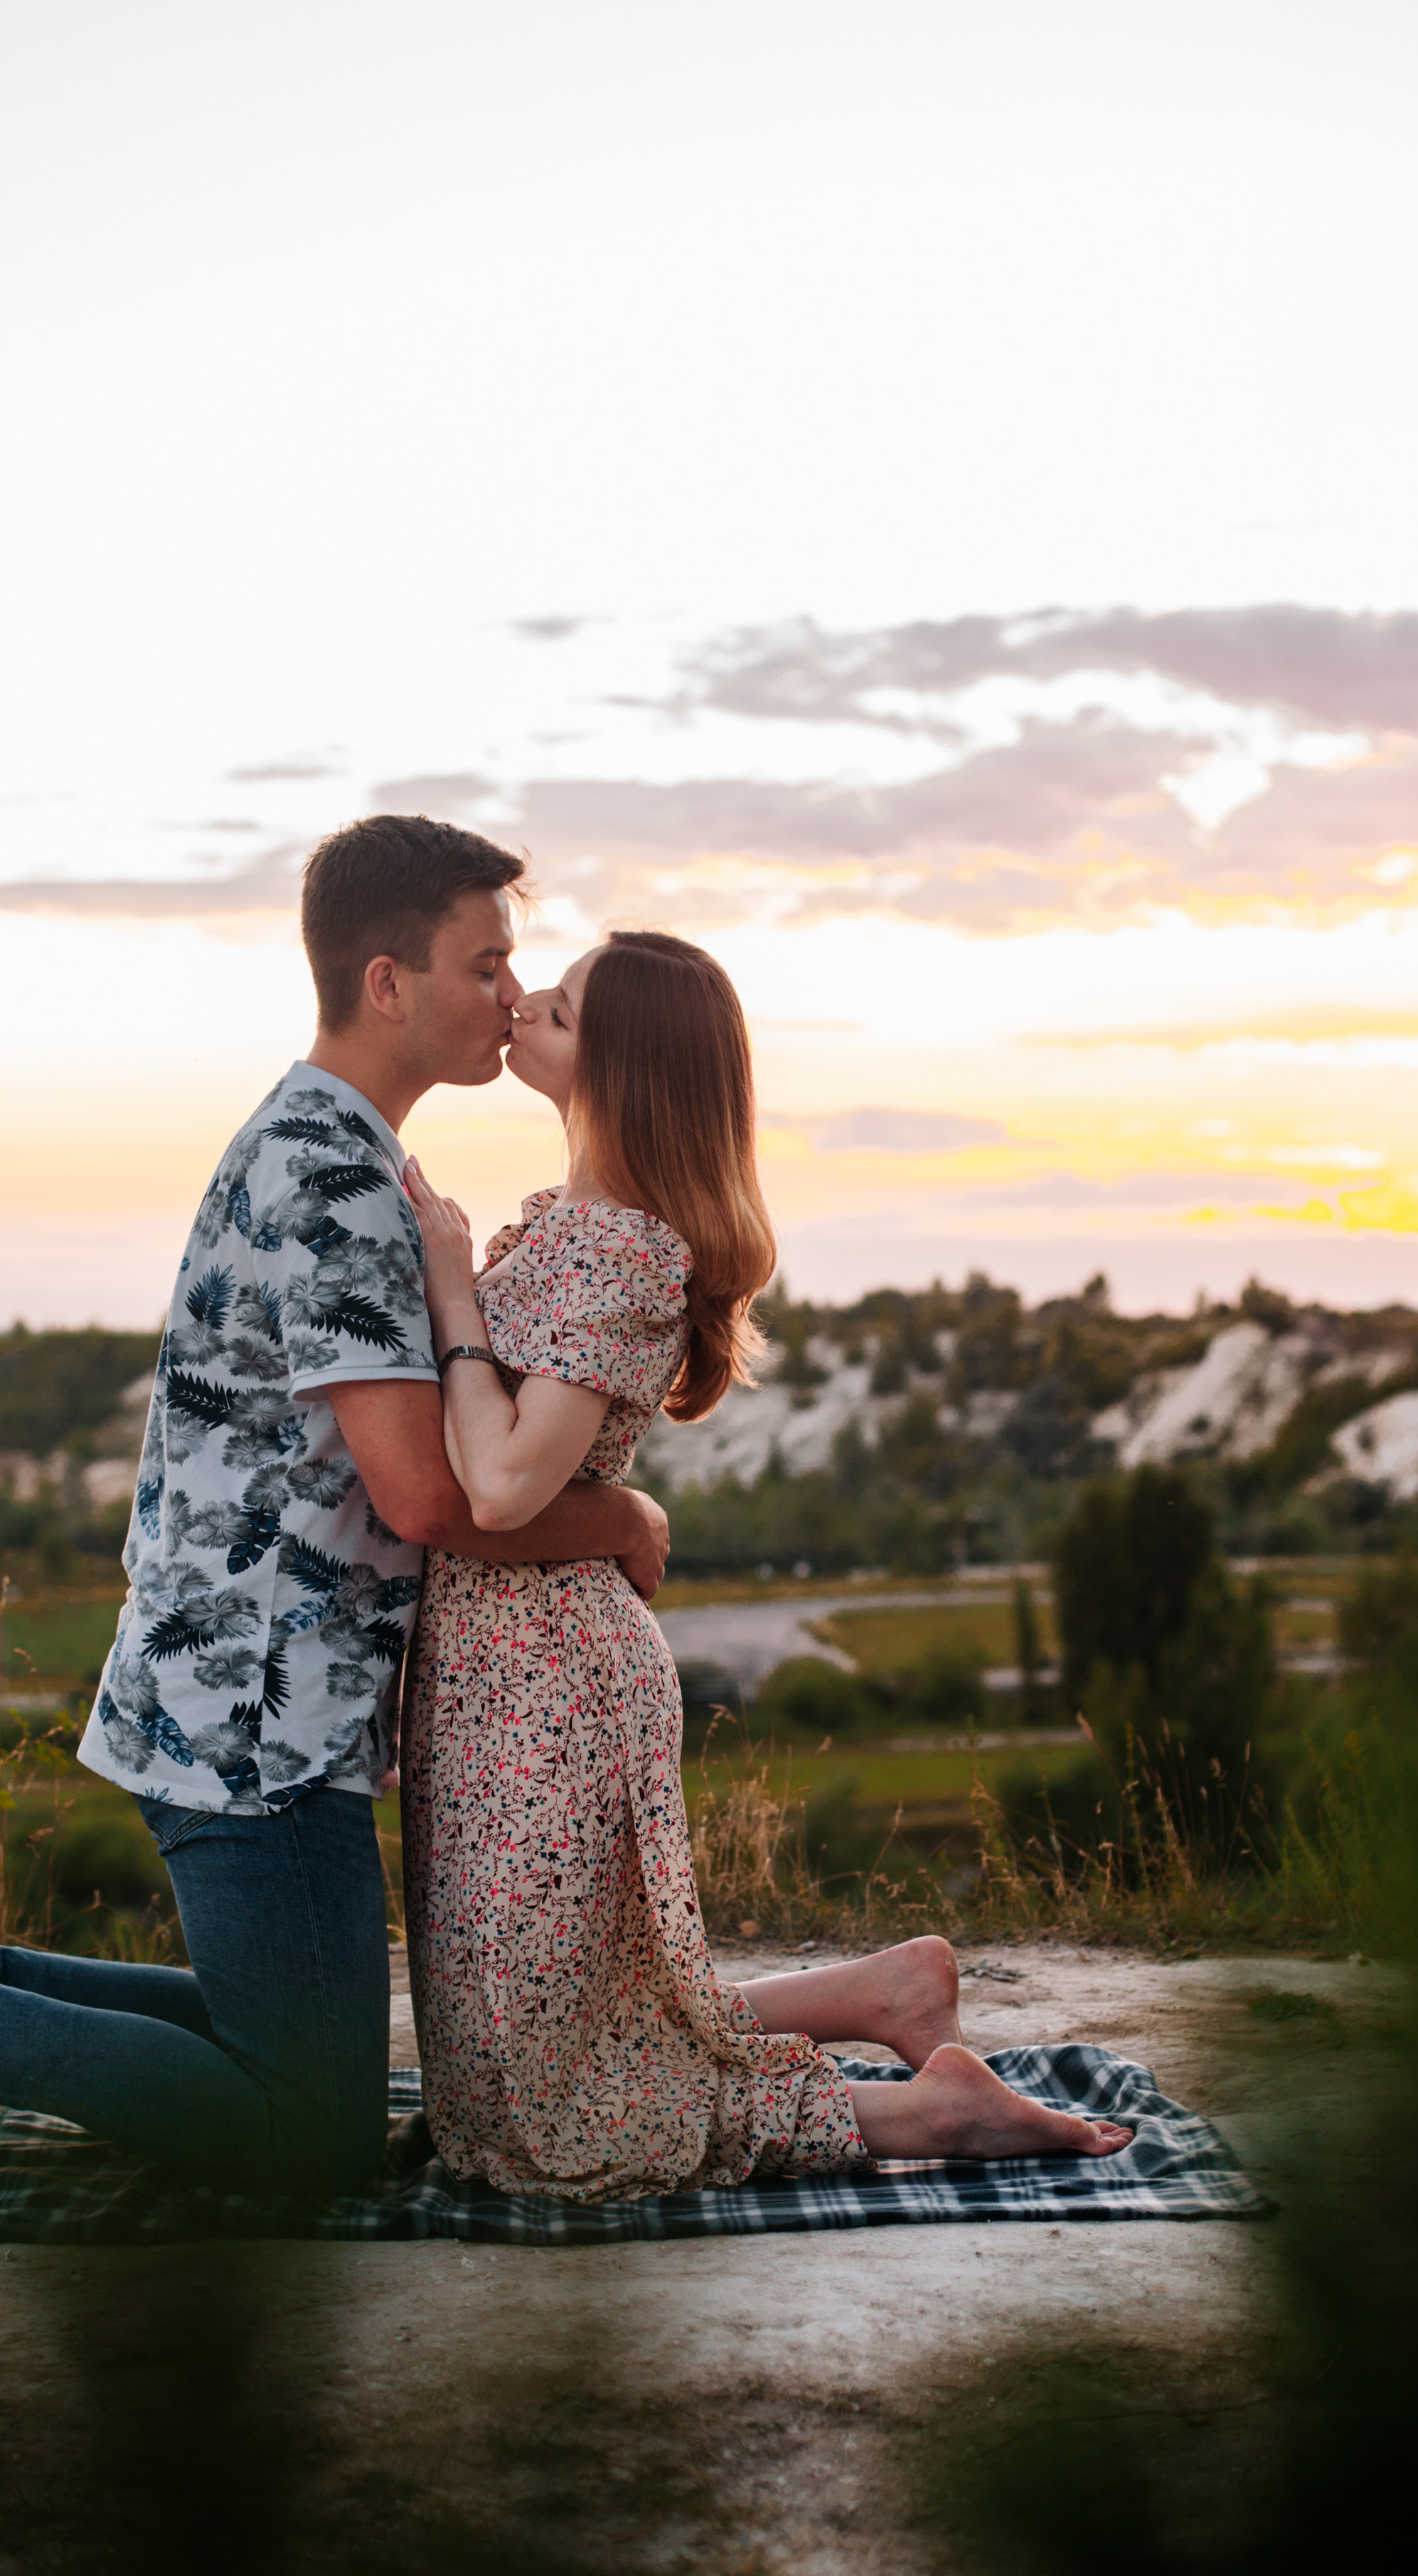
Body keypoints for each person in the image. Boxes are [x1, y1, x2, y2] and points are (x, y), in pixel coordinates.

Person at [0, 815, 676, 2202]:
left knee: (283, 2061)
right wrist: (619, 1526)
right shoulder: (334, 1177)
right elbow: (418, 1491)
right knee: (308, 2137)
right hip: (257, 1714)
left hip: (261, 1698)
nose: (509, 996)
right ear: (387, 982)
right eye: (485, 964)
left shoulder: (323, 1144)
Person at [400, 930, 1134, 2195]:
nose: (525, 1007)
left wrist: (453, 1294)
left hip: (545, 1683)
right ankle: (884, 1991)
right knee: (508, 2066)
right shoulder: (568, 1228)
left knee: (547, 2127)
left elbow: (510, 1484)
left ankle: (919, 2118)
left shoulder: (619, 1247)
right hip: (488, 1669)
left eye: (561, 1009)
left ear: (622, 1071)